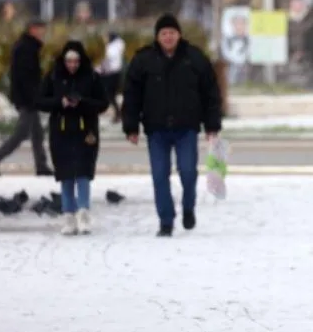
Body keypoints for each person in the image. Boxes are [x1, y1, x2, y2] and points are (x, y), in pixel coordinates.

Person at [122, 13, 222, 237]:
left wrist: (212, 125)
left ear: (179, 35)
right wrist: (131, 126)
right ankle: (166, 221)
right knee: (159, 175)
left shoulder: (194, 58)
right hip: (156, 128)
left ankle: (188, 208)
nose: (168, 37)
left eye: (172, 33)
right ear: (157, 37)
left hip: (186, 127)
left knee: (188, 172)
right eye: (164, 33)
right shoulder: (143, 60)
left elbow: (211, 92)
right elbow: (131, 95)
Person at [36, 41, 108, 235]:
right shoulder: (53, 76)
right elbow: (41, 101)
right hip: (61, 132)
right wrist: (61, 103)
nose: (72, 65)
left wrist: (82, 103)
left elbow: (103, 103)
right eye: (69, 61)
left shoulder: (92, 77)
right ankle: (68, 215)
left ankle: (83, 212)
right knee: (66, 174)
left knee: (83, 172)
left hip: (86, 131)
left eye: (76, 61)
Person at [0, 20, 53, 176]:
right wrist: (33, 97)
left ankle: (41, 165)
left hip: (28, 96)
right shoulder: (26, 48)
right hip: (27, 98)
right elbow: (25, 77)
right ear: (32, 29)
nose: (43, 33)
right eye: (41, 29)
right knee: (21, 134)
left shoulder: (28, 46)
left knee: (37, 132)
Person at [100, 31, 125, 123]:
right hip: (113, 73)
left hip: (112, 74)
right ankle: (118, 113)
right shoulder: (115, 47)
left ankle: (118, 114)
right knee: (111, 95)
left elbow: (109, 60)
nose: (104, 40)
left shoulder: (112, 48)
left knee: (110, 95)